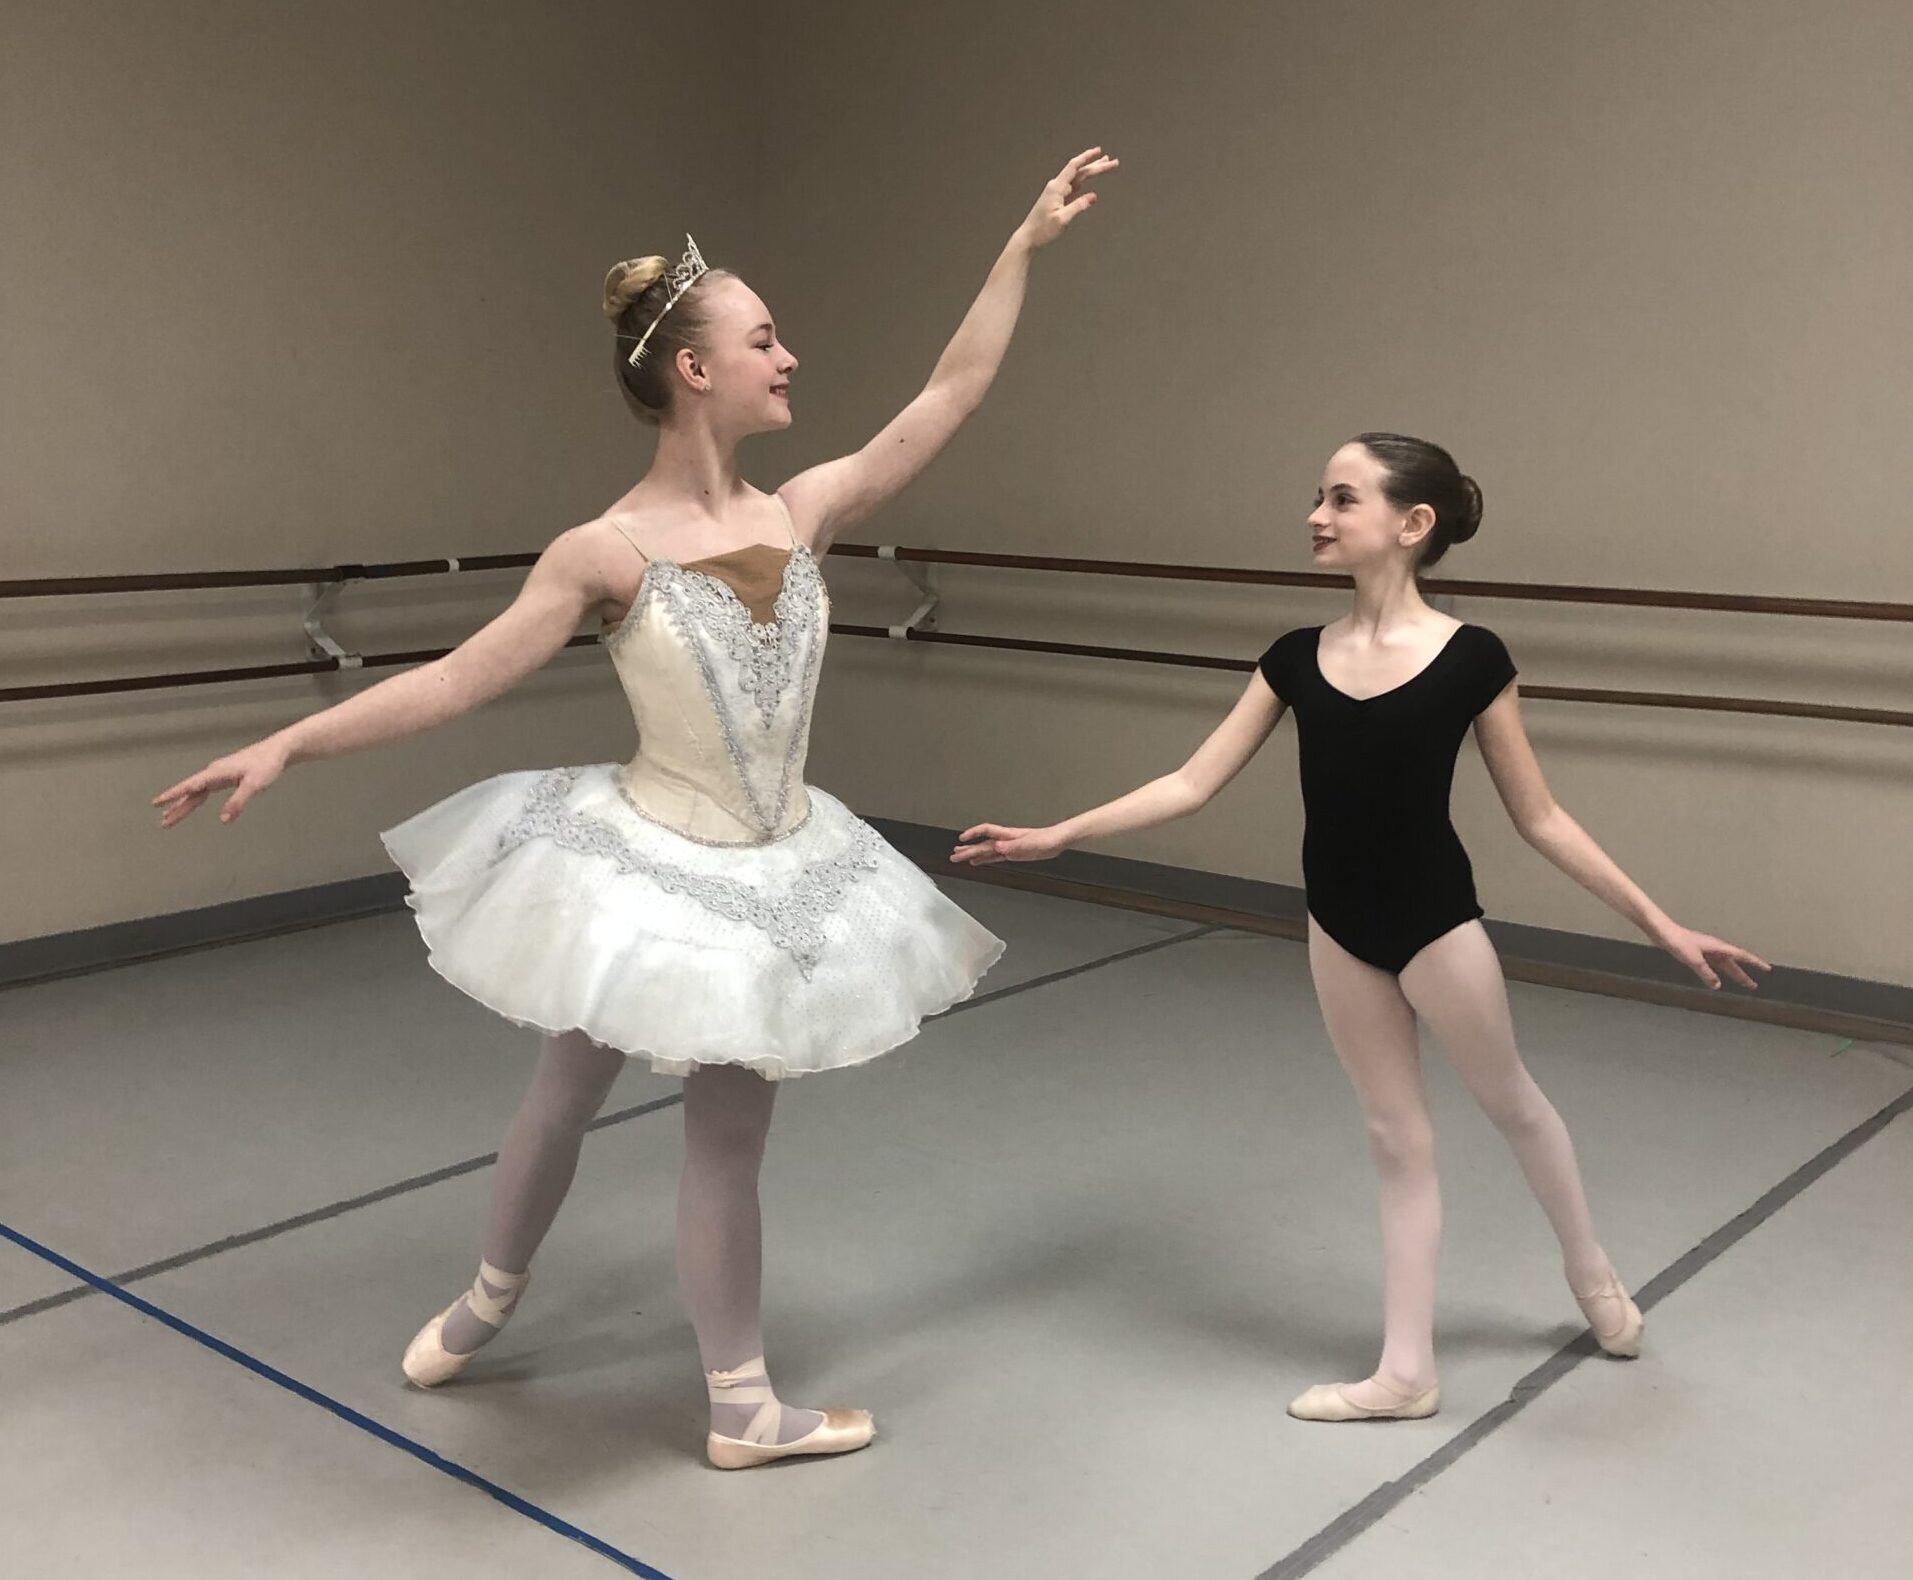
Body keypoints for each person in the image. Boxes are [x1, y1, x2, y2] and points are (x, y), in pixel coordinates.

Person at [154, 146, 1119, 1467]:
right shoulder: (601, 552)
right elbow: (456, 679)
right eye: (764, 339)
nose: (789, 356)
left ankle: (731, 1403)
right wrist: (289, 741)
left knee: (721, 1132)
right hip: (649, 860)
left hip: (776, 864)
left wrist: (1020, 244)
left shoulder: (805, 508)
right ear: (694, 369)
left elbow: (949, 391)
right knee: (564, 1092)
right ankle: (491, 1301)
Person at [952, 432, 1768, 1422]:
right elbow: (1191, 780)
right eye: (1318, 496)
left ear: (1411, 523)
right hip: (1336, 926)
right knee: (1393, 1137)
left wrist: (1657, 922)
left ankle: (1589, 1270)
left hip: (1436, 926)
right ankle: (1405, 1372)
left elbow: (1539, 815)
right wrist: (1061, 833)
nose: (1316, 516)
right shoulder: (1294, 658)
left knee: (1510, 1101)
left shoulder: (1471, 658)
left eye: (1341, 499)